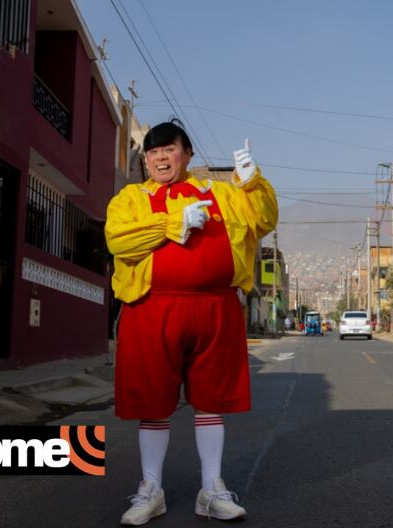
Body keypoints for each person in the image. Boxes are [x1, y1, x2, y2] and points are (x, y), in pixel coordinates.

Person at [105, 121, 278, 524]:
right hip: (151, 308)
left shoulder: (220, 193)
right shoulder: (130, 198)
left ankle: (212, 488)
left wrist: (254, 183)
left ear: (187, 154)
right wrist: (171, 225)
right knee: (153, 402)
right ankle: (151, 489)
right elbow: (118, 239)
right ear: (145, 160)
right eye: (152, 152)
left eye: (169, 149)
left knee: (212, 401)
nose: (160, 158)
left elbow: (264, 220)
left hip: (215, 309)